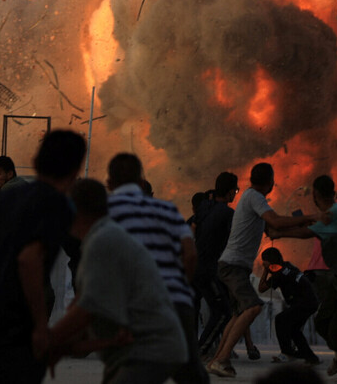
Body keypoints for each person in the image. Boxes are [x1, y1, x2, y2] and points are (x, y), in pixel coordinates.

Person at [0, 130, 86, 383]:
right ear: (76, 168)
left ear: (35, 162)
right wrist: (39, 326)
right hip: (14, 331)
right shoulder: (57, 204)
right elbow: (29, 260)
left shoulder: (4, 197)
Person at [48, 179, 187, 383]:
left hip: (150, 349)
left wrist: (48, 341)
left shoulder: (103, 240)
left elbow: (87, 309)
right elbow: (82, 301)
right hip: (132, 349)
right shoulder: (98, 238)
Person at [206, 163, 317, 378]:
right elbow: (275, 221)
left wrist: (311, 231)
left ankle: (217, 359)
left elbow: (274, 231)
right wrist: (307, 217)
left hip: (234, 265)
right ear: (271, 183)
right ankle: (221, 360)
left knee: (239, 312)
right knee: (254, 307)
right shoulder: (255, 197)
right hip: (234, 265)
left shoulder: (253, 199)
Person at [105, 153, 206, 384]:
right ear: (141, 183)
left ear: (109, 184)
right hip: (179, 302)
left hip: (136, 305)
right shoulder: (168, 210)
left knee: (124, 365)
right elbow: (190, 254)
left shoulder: (106, 211)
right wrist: (179, 285)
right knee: (190, 371)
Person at [267, 175, 337, 380]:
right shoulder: (332, 213)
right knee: (322, 323)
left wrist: (279, 233)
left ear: (315, 194)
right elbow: (312, 225)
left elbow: (306, 233)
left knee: (335, 328)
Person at [193, 173, 238, 358]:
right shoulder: (228, 213)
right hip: (209, 269)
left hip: (195, 265)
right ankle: (201, 351)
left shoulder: (204, 206)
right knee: (222, 312)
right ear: (229, 192)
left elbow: (193, 228)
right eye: (235, 190)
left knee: (201, 309)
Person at [257, 248, 319, 366]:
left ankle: (287, 353)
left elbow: (261, 288)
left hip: (304, 303)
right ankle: (310, 357)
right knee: (294, 329)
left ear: (269, 261)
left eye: (264, 261)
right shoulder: (287, 266)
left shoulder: (279, 273)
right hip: (311, 301)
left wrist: (265, 270)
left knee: (281, 320)